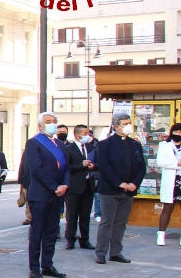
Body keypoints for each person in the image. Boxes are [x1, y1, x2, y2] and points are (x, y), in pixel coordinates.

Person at [94, 112, 145, 265]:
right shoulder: (105, 144)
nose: (128, 126)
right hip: (110, 190)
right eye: (125, 124)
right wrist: (119, 183)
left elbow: (142, 166)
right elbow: (104, 166)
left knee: (121, 222)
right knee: (107, 222)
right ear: (116, 126)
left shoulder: (135, 144)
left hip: (129, 190)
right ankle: (101, 253)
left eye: (129, 123)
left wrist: (134, 183)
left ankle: (115, 252)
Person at [25, 112, 70, 278]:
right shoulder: (34, 143)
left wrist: (65, 185)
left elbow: (66, 168)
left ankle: (47, 265)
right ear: (40, 126)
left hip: (57, 195)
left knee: (52, 232)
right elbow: (37, 169)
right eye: (48, 121)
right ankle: (34, 267)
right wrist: (54, 187)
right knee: (37, 232)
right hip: (41, 194)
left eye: (54, 121)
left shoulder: (60, 144)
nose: (52, 124)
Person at [65, 124, 97, 250]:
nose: (88, 136)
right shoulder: (69, 149)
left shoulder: (91, 148)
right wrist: (81, 165)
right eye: (85, 133)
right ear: (78, 135)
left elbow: (99, 163)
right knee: (72, 215)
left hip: (88, 186)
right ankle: (70, 239)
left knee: (85, 215)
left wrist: (93, 166)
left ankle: (85, 240)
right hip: (74, 187)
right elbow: (66, 167)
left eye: (88, 133)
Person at [157, 123, 181, 246]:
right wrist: (177, 163)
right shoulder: (164, 145)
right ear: (171, 132)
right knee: (167, 208)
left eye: (180, 132)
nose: (178, 134)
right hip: (171, 179)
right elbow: (161, 162)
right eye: (176, 132)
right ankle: (161, 235)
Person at [18, 149, 32, 226]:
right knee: (28, 199)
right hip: (27, 180)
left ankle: (35, 216)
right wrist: (20, 180)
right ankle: (29, 217)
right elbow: (22, 165)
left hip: (38, 181)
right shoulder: (26, 152)